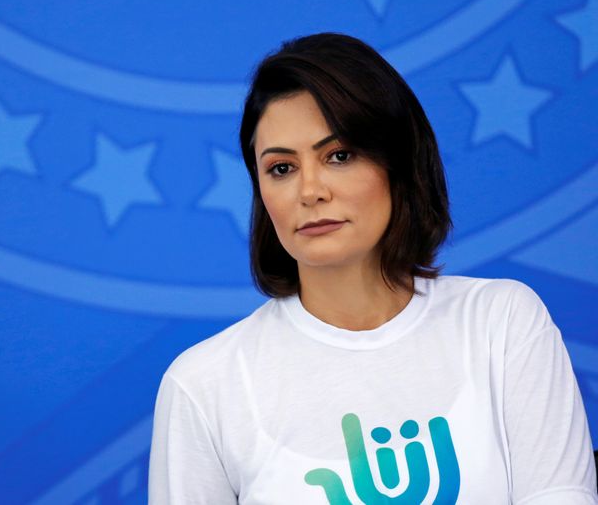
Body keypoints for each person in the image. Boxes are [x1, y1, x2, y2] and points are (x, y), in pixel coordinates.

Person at [148, 32, 598, 504]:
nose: (311, 190)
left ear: (399, 164)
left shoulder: (502, 322)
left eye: (339, 156)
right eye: (281, 168)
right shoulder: (204, 384)